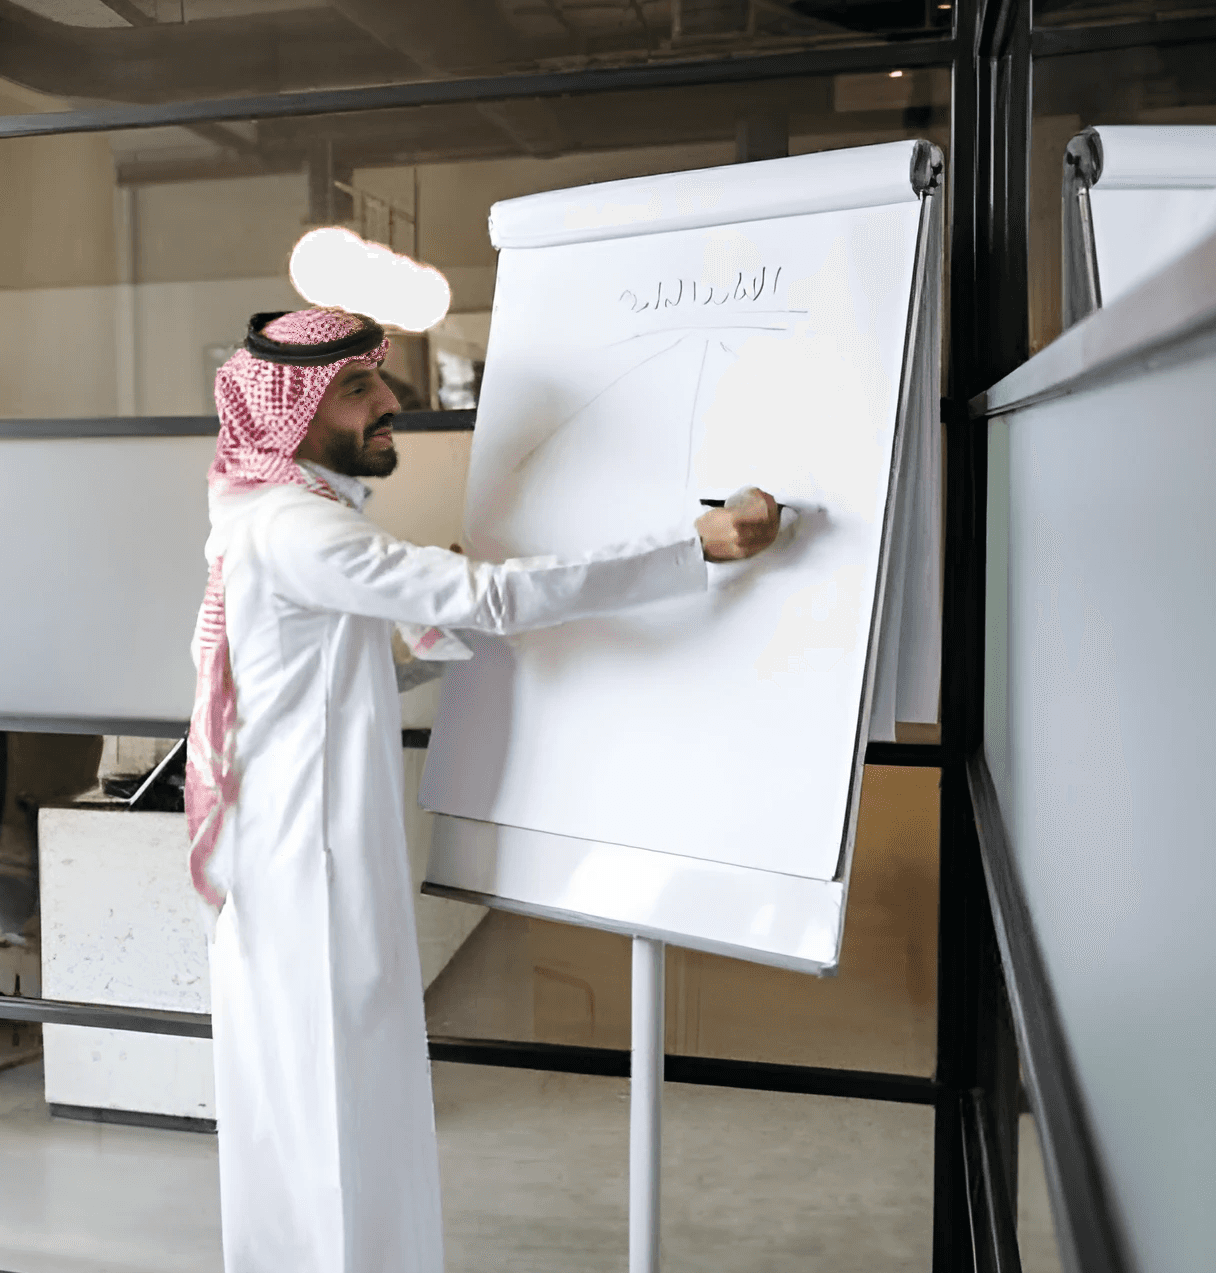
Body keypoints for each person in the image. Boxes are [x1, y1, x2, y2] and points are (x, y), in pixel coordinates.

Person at [185, 309, 780, 1273]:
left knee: (319, 1114)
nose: (391, 402)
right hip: (309, 876)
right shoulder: (294, 526)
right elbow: (494, 599)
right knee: (333, 1114)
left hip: (298, 864)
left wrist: (425, 630)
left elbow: (328, 672)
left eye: (380, 379)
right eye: (357, 388)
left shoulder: (271, 514)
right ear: (292, 415)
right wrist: (696, 546)